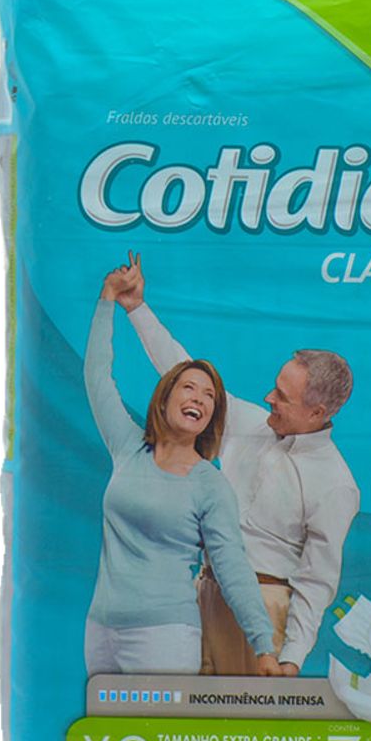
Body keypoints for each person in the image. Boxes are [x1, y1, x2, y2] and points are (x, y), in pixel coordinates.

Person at [115, 252, 360, 677]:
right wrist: (137, 308)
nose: (268, 398)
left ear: (317, 413)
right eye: (275, 387)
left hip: (264, 609)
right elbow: (180, 371)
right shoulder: (249, 424)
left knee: (245, 716)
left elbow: (317, 580)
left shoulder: (336, 484)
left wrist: (291, 658)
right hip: (200, 595)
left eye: (282, 397)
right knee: (177, 712)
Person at [83, 264, 282, 678]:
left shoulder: (210, 485)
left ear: (211, 416)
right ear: (165, 396)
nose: (200, 399)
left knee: (158, 726)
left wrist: (263, 645)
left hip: (165, 636)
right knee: (103, 723)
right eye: (189, 387)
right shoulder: (128, 447)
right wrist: (108, 299)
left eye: (210, 396)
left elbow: (232, 567)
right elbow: (97, 378)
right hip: (100, 628)